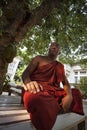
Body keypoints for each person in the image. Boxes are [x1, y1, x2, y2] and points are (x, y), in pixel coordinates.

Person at [22, 42, 84, 130]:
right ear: (49, 49)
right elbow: (25, 73)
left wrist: (69, 96)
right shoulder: (38, 58)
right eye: (52, 45)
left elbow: (65, 83)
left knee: (76, 93)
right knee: (35, 98)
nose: (54, 47)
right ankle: (57, 106)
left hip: (54, 92)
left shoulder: (60, 66)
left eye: (57, 46)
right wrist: (29, 83)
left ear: (59, 52)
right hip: (38, 90)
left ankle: (56, 105)